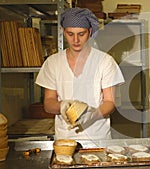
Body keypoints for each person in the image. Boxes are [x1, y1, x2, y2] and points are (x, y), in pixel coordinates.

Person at [35, 7, 125, 140]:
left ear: (89, 32)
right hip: (65, 138)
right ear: (63, 32)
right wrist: (62, 106)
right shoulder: (53, 62)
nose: (76, 40)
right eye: (70, 34)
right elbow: (48, 103)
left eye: (81, 34)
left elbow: (109, 102)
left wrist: (92, 115)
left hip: (97, 137)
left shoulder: (105, 61)